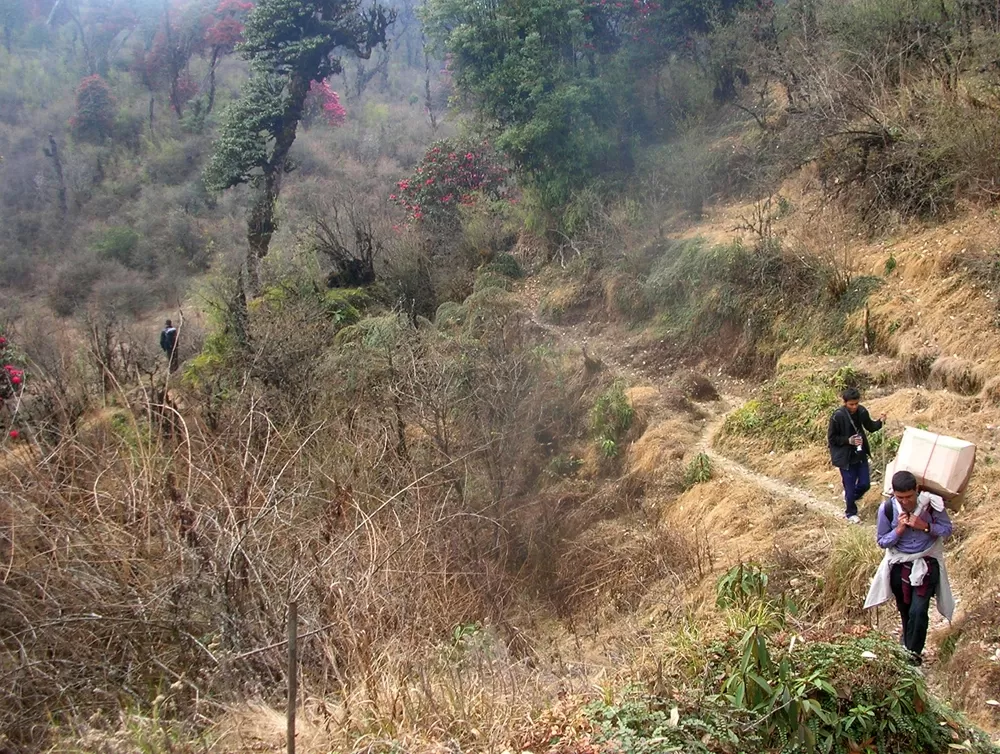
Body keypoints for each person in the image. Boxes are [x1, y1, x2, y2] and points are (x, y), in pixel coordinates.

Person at [864, 470, 954, 665]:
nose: (905, 502)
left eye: (909, 497)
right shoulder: (887, 509)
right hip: (899, 566)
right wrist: (898, 530)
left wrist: (925, 526)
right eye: (900, 498)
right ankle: (907, 643)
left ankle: (913, 654)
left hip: (927, 563)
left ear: (917, 490)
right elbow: (882, 541)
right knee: (905, 610)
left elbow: (947, 530)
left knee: (919, 610)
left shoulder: (932, 505)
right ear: (893, 494)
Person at [827, 387, 885, 522]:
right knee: (850, 484)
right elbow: (832, 438)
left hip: (860, 453)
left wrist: (881, 421)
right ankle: (851, 512)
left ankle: (849, 496)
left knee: (865, 484)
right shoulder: (838, 416)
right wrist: (848, 440)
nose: (854, 407)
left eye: (856, 403)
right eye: (851, 404)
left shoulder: (862, 411)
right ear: (845, 403)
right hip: (845, 457)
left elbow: (871, 427)